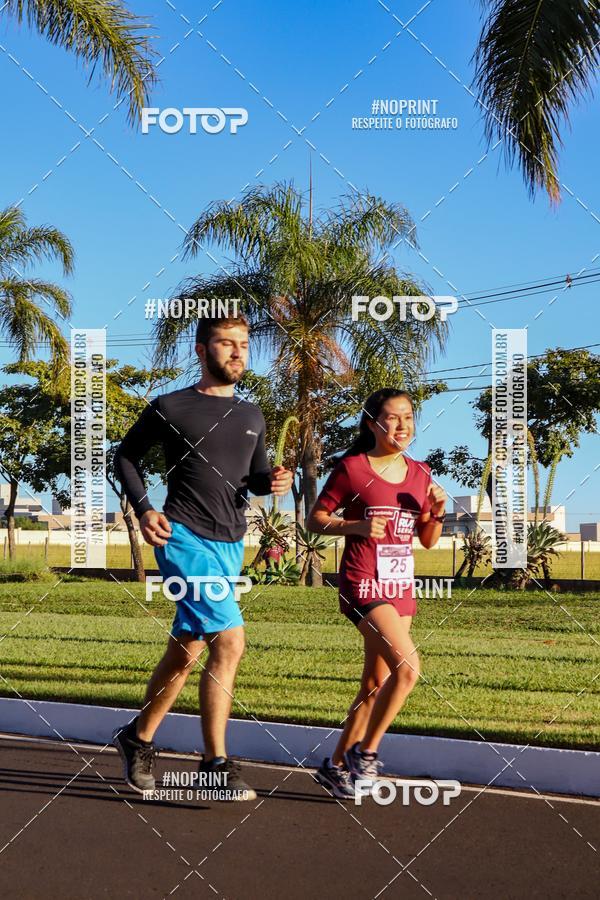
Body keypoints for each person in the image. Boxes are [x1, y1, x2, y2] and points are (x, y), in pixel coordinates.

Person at [112, 314, 292, 800]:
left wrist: (271, 481)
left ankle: (138, 737)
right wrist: (145, 509)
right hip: (183, 536)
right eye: (226, 343)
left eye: (244, 345)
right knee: (230, 641)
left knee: (188, 649)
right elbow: (124, 456)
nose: (238, 352)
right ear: (201, 349)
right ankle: (216, 764)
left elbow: (251, 479)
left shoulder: (252, 415)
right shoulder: (172, 406)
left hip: (230, 541)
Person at [306, 389, 446, 799]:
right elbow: (315, 520)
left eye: (408, 417)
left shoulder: (421, 473)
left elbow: (428, 539)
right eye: (392, 417)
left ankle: (333, 767)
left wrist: (436, 512)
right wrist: (354, 527)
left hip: (400, 586)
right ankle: (365, 752)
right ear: (372, 424)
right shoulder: (352, 469)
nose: (402, 425)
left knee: (375, 680)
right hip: (363, 582)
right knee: (408, 670)